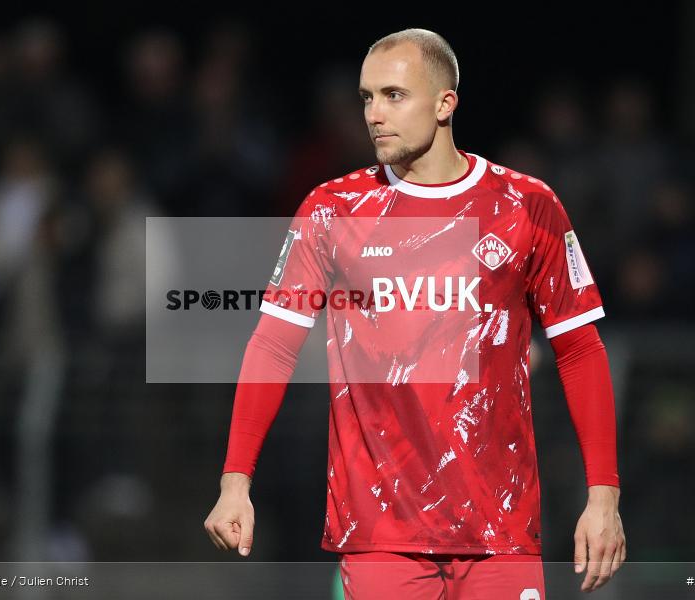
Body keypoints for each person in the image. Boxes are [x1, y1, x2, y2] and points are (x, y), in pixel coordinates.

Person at [204, 28, 625, 598]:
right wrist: (235, 482)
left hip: (500, 529)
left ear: (446, 102)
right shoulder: (333, 210)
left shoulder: (527, 206)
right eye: (366, 97)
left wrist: (603, 498)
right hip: (380, 534)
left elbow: (579, 348)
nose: (374, 113)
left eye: (394, 95)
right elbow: (273, 344)